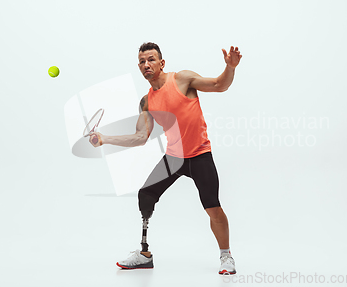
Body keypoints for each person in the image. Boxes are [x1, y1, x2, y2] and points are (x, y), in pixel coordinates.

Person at [89, 42, 242, 275]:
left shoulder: (183, 79)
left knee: (212, 207)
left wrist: (230, 68)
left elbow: (220, 85)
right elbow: (140, 137)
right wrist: (104, 139)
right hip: (174, 157)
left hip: (200, 154)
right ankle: (144, 253)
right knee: (146, 194)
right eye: (142, 61)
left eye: (151, 59)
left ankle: (226, 256)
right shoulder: (147, 101)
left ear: (162, 63)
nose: (146, 64)